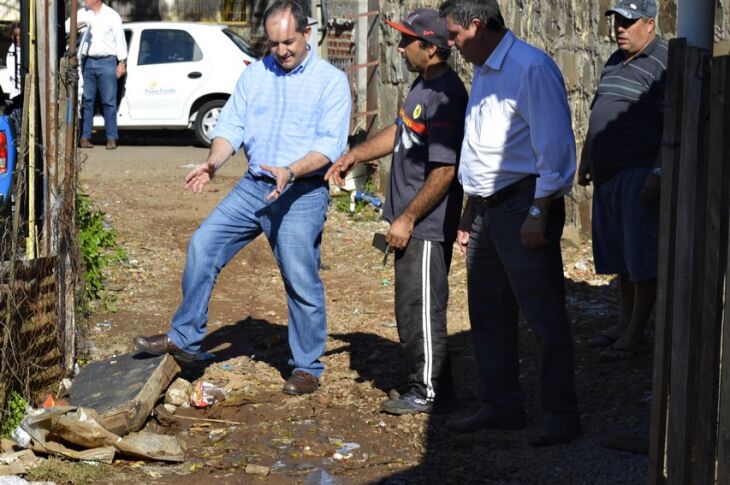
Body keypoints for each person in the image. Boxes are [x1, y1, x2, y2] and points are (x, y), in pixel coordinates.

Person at [133, 0, 351, 396]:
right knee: (203, 245)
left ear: (307, 34)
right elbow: (231, 125)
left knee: (300, 276)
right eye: (273, 44)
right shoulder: (256, 76)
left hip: (301, 191)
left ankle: (306, 367)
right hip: (254, 186)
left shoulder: (331, 82)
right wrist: (213, 163)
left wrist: (292, 170)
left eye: (288, 42)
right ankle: (185, 339)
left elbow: (330, 146)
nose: (281, 51)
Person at [439, 0, 580, 446]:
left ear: (477, 26)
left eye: (455, 35)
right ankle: (501, 405)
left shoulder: (530, 68)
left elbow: (554, 146)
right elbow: (483, 148)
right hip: (487, 209)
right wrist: (469, 210)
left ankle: (560, 415)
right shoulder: (483, 67)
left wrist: (539, 211)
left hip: (524, 204)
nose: (450, 43)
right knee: (488, 312)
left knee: (542, 316)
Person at [325, 8, 467, 415]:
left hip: (425, 225)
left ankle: (428, 391)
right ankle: (433, 384)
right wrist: (356, 154)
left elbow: (445, 171)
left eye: (407, 41)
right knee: (411, 305)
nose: (400, 47)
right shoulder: (424, 85)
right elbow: (399, 130)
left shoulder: (445, 97)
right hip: (411, 222)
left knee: (421, 309)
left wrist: (408, 218)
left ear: (430, 47)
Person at [578, 0, 666, 361]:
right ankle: (623, 322)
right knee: (620, 259)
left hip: (637, 173)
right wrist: (587, 158)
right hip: (607, 174)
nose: (620, 29)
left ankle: (635, 333)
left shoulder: (664, 62)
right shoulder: (614, 61)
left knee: (641, 258)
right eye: (617, 21)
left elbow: (671, 124)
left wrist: (657, 172)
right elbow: (599, 109)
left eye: (629, 22)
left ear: (650, 23)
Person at [73, 0, 127, 149]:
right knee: (87, 100)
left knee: (109, 101)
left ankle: (111, 138)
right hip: (88, 61)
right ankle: (85, 137)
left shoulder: (112, 15)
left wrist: (122, 61)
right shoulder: (81, 14)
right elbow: (66, 27)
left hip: (107, 61)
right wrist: (75, 26)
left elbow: (119, 38)